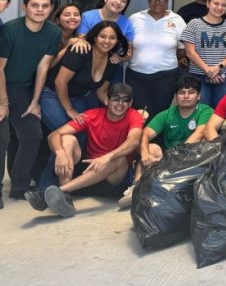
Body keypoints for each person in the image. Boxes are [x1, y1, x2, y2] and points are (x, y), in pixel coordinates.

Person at [25, 83, 143, 218]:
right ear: (106, 100)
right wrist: (60, 153)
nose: (120, 104)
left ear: (130, 103)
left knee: (120, 160)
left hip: (113, 178)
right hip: (88, 171)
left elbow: (133, 141)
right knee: (67, 140)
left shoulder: (134, 116)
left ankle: (60, 191)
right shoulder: (92, 115)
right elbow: (54, 135)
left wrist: (107, 157)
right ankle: (65, 198)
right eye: (116, 99)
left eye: (125, 100)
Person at [0, 0, 61, 205]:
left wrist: (35, 102)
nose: (40, 10)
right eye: (34, 5)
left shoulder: (54, 32)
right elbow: (0, 68)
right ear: (24, 7)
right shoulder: (9, 30)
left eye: (45, 6)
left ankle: (19, 187)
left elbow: (43, 67)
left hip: (24, 89)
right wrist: (3, 102)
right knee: (3, 139)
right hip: (2, 86)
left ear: (51, 9)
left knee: (32, 136)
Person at [118, 75, 213, 209]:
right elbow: (145, 134)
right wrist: (145, 154)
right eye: (181, 93)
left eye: (191, 92)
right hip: (170, 159)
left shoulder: (206, 110)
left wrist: (176, 157)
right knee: (152, 148)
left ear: (198, 96)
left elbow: (200, 133)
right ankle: (136, 187)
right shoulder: (167, 114)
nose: (186, 96)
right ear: (175, 96)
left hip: (194, 158)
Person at [40, 21, 127, 131]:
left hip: (77, 97)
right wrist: (70, 109)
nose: (107, 41)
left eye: (112, 38)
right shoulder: (81, 50)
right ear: (95, 38)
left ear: (117, 41)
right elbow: (60, 82)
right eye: (102, 36)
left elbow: (101, 92)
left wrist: (117, 105)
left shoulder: (112, 62)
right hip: (52, 94)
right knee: (66, 129)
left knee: (84, 131)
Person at [127, 0, 186, 118]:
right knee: (141, 115)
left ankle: (157, 140)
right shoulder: (135, 18)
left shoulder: (177, 20)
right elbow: (126, 45)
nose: (157, 2)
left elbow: (183, 49)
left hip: (166, 78)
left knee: (160, 115)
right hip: (137, 77)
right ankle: (142, 140)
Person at [180, 0, 226, 108]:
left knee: (220, 111)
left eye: (223, 5)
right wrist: (208, 70)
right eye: (216, 3)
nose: (219, 7)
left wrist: (218, 68)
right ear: (208, 3)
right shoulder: (194, 24)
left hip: (224, 76)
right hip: (198, 76)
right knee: (201, 111)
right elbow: (190, 52)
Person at [76, 0, 135, 80]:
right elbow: (81, 40)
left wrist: (120, 58)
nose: (118, 2)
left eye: (124, 1)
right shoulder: (87, 16)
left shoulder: (127, 23)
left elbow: (129, 53)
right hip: (86, 65)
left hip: (112, 68)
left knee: (113, 94)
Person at [50, 3, 82, 68]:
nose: (73, 17)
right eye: (67, 15)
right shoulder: (50, 37)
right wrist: (67, 47)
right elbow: (47, 66)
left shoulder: (79, 38)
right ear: (57, 20)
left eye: (76, 15)